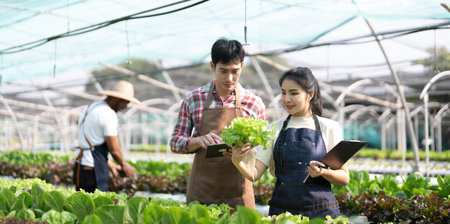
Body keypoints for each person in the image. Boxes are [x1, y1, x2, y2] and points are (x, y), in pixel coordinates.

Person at [229, 67, 349, 218]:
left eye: (293, 93)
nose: (286, 99)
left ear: (310, 95)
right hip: (283, 213)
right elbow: (254, 174)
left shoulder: (330, 127)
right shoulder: (273, 129)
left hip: (321, 212)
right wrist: (237, 161)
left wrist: (324, 172)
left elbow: (344, 178)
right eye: (283, 93)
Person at [170, 38, 267, 209]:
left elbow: (263, 151)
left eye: (235, 71)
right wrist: (197, 141)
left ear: (242, 67)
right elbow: (175, 142)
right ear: (212, 66)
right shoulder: (194, 99)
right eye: (223, 71)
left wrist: (247, 150)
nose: (229, 78)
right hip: (202, 192)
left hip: (239, 193)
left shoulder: (254, 103)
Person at [73, 80, 139, 192]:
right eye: (126, 103)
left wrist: (110, 164)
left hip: (80, 167)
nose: (125, 107)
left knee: (81, 206)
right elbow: (115, 150)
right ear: (118, 99)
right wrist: (125, 165)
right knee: (98, 206)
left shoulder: (90, 108)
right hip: (94, 171)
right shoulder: (108, 114)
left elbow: (92, 144)